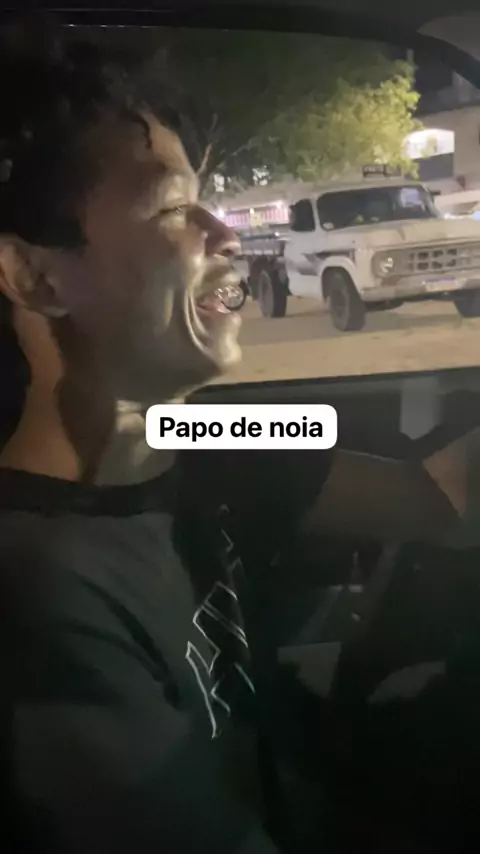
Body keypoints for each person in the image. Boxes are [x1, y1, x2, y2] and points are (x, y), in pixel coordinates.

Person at [0, 16, 472, 854]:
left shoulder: (206, 430)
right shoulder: (36, 602)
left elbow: (437, 495)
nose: (225, 234)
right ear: (35, 276)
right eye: (173, 206)